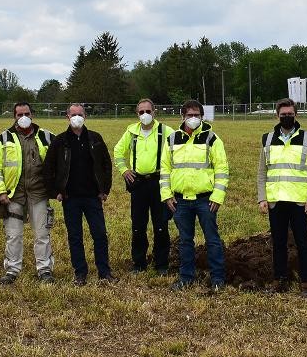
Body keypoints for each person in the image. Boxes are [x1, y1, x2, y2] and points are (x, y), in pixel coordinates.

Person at [161, 99, 229, 293]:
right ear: (182, 117)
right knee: (185, 241)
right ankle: (186, 277)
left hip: (205, 200)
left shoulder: (212, 138)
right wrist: (166, 195)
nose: (193, 118)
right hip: (180, 200)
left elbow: (222, 168)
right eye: (189, 115)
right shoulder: (172, 139)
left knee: (212, 239)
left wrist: (217, 196)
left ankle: (217, 278)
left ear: (202, 117)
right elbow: (165, 169)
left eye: (196, 115)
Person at [45, 103, 114, 284]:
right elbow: (48, 169)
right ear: (67, 117)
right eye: (73, 114)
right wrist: (56, 192)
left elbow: (106, 165)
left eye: (80, 114)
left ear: (85, 117)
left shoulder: (95, 138)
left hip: (93, 197)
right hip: (70, 198)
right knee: (75, 236)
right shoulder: (60, 142)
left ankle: (104, 271)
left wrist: (104, 190)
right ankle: (80, 273)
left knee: (99, 234)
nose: (77, 117)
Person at [257, 98, 307, 298]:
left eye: (290, 114)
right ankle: (279, 279)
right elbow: (261, 173)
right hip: (276, 201)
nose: (286, 117)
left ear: (296, 115)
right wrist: (262, 198)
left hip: (300, 201)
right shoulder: (267, 139)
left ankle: (306, 282)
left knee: (302, 242)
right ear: (277, 115)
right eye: (283, 114)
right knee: (278, 242)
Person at [0, 102, 54, 284]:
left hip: (39, 194)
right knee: (13, 235)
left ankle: (45, 270)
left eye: (26, 113)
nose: (23, 117)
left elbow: (59, 162)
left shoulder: (46, 136)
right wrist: (0, 192)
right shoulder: (3, 138)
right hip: (13, 196)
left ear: (32, 114)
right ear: (14, 117)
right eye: (19, 114)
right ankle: (12, 270)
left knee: (42, 234)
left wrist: (56, 188)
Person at [113, 98, 171, 274]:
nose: (145, 115)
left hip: (158, 182)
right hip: (138, 184)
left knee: (161, 224)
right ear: (137, 114)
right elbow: (118, 151)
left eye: (148, 111)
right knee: (138, 225)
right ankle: (139, 263)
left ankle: (161, 264)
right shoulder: (131, 132)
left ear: (154, 112)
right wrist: (124, 170)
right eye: (141, 112)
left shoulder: (166, 131)